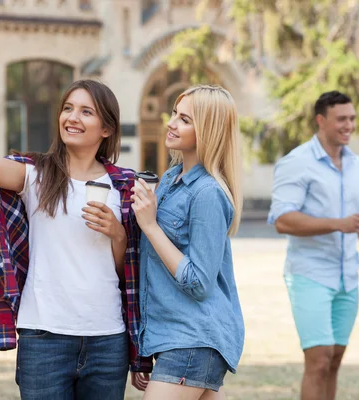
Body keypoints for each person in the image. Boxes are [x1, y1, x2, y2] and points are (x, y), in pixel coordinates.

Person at [0, 54, 151, 399]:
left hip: (108, 339)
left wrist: (117, 233)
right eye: (68, 108)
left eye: (86, 112)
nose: (72, 117)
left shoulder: (126, 186)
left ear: (107, 129)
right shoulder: (36, 174)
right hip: (44, 336)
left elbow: (128, 272)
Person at [268, 91, 359, 400]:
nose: (349, 125)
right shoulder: (296, 163)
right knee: (319, 360)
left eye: (352, 118)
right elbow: (282, 220)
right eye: (342, 119)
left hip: (347, 278)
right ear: (321, 120)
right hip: (310, 275)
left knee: (334, 361)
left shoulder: (358, 166)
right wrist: (338, 223)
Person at [130, 85, 244, 399]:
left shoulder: (208, 193)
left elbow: (198, 282)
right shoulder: (170, 180)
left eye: (184, 119)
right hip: (174, 338)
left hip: (193, 340)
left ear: (207, 130)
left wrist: (151, 226)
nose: (171, 123)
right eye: (174, 115)